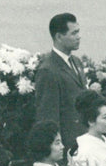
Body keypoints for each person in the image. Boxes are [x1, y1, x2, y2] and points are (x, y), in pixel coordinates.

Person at [34, 13, 88, 156]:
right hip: (68, 148)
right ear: (58, 37)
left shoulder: (76, 62)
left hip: (83, 143)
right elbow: (48, 117)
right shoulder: (48, 70)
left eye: (79, 32)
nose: (79, 36)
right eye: (74, 33)